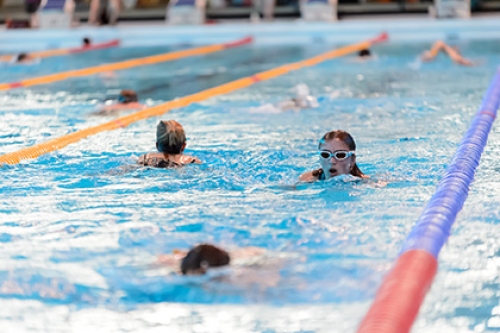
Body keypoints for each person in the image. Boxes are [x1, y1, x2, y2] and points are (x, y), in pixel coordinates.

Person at [300, 130, 367, 182]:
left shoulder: (365, 184)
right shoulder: (306, 180)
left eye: (340, 155)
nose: (332, 161)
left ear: (352, 160)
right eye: (325, 154)